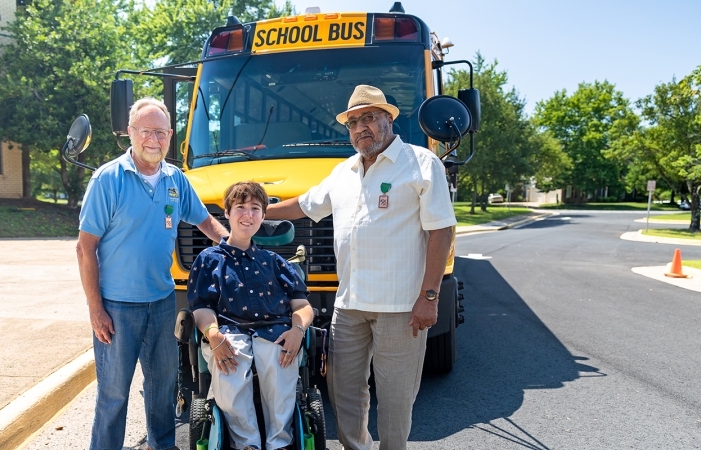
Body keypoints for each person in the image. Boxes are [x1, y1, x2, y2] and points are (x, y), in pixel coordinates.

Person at [266, 85, 456, 450]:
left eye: (368, 118)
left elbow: (441, 231)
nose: (360, 127)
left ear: (388, 119)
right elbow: (305, 205)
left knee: (396, 401)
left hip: (401, 307)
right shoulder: (343, 172)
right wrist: (252, 213)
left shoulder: (420, 163)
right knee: (345, 395)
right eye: (353, 122)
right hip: (349, 305)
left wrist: (429, 296)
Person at [76, 97, 228, 450]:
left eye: (161, 133)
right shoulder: (107, 180)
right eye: (146, 132)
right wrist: (96, 309)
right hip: (116, 308)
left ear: (170, 136)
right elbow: (85, 248)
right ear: (130, 133)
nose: (153, 140)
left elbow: (205, 221)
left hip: (161, 302)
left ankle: (162, 445)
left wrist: (237, 248)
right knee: (113, 395)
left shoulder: (176, 179)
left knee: (162, 387)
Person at [188, 181, 314, 450]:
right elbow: (201, 307)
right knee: (231, 365)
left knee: (277, 359)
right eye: (240, 207)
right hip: (229, 330)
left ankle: (279, 442)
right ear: (227, 213)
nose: (248, 214)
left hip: (275, 329)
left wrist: (297, 331)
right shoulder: (210, 259)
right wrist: (214, 336)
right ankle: (247, 444)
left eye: (255, 208)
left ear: (264, 215)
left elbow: (303, 306)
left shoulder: (275, 262)